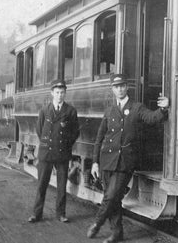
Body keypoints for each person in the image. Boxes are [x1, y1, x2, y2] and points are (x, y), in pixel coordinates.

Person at [87, 74, 169, 243]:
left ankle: (97, 222)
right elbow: (99, 138)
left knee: (110, 197)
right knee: (114, 198)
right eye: (116, 86)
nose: (120, 89)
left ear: (127, 87)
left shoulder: (137, 107)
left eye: (123, 86)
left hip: (125, 162)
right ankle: (117, 233)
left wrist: (163, 109)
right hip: (107, 160)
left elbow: (152, 118)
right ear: (112, 89)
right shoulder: (109, 110)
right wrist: (95, 162)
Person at [28, 79, 79, 223]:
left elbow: (75, 132)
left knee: (61, 186)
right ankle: (36, 214)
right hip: (46, 153)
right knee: (41, 185)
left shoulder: (70, 111)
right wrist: (47, 143)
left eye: (62, 92)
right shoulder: (44, 110)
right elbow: (39, 130)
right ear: (52, 93)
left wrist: (65, 144)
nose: (60, 95)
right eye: (57, 92)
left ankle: (61, 214)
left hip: (62, 154)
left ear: (65, 93)